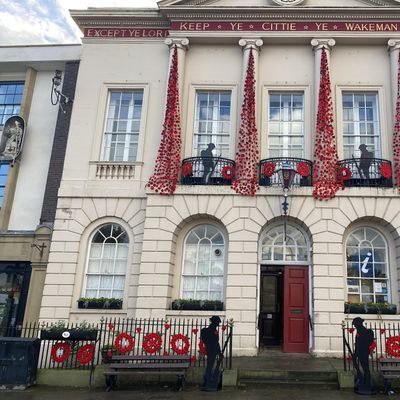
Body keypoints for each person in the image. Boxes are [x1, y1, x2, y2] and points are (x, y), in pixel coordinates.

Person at [352, 317, 374, 395]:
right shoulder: (359, 331)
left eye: (355, 324)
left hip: (362, 352)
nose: (354, 326)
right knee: (364, 368)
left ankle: (367, 384)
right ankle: (364, 382)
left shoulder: (363, 331)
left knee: (365, 368)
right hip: (360, 352)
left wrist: (356, 354)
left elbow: (361, 344)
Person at [200, 315, 222, 391]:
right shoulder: (213, 330)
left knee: (210, 365)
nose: (218, 324)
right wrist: (219, 352)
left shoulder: (210, 329)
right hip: (212, 350)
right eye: (217, 322)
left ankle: (207, 380)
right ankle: (208, 381)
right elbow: (216, 342)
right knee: (210, 365)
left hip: (209, 349)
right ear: (215, 322)